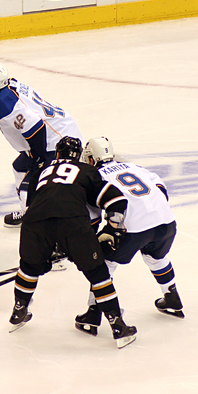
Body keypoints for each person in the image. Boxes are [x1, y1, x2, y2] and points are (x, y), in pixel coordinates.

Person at [10, 136, 137, 348]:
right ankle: (118, 326)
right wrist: (112, 230)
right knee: (98, 274)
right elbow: (117, 200)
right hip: (73, 223)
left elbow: (36, 205)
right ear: (78, 156)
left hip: (34, 223)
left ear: (57, 154)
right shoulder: (86, 171)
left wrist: (50, 246)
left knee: (29, 268)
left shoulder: (42, 171)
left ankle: (19, 311)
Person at [73, 136, 184, 334]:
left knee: (104, 265)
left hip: (132, 229)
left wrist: (84, 241)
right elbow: (161, 188)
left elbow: (92, 216)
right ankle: (172, 297)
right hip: (166, 222)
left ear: (91, 159)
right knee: (156, 258)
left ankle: (93, 311)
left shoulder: (94, 177)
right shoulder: (134, 167)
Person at [0, 63, 82, 228]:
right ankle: (31, 212)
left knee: (32, 180)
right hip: (59, 128)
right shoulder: (11, 83)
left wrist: (39, 157)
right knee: (19, 168)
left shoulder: (4, 104)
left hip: (57, 140)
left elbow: (36, 127)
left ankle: (34, 219)